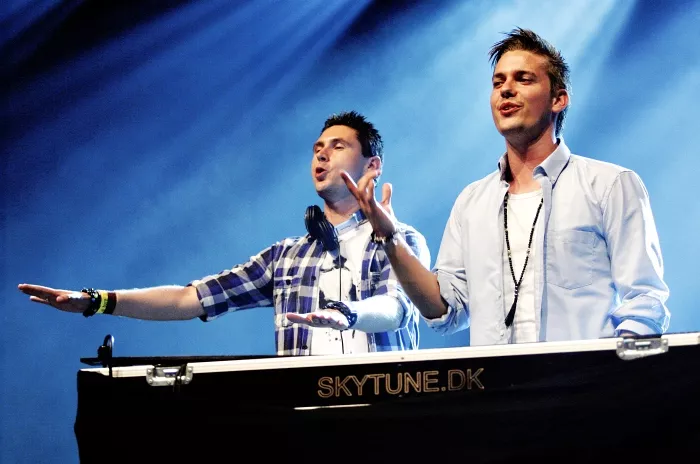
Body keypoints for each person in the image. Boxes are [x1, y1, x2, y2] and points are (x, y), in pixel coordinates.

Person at [342, 28, 670, 345]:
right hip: (497, 382)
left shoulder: (609, 185)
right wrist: (390, 237)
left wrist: (613, 371)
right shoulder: (472, 202)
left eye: (523, 79)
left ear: (558, 99)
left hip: (582, 379)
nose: (506, 90)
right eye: (498, 82)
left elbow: (644, 298)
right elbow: (444, 311)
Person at [18, 111, 431, 355]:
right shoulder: (285, 257)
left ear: (373, 166)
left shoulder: (401, 241)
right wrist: (97, 301)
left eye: (338, 146)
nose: (321, 153)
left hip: (383, 422)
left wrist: (347, 314)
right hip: (306, 428)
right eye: (317, 148)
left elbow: (396, 308)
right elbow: (187, 299)